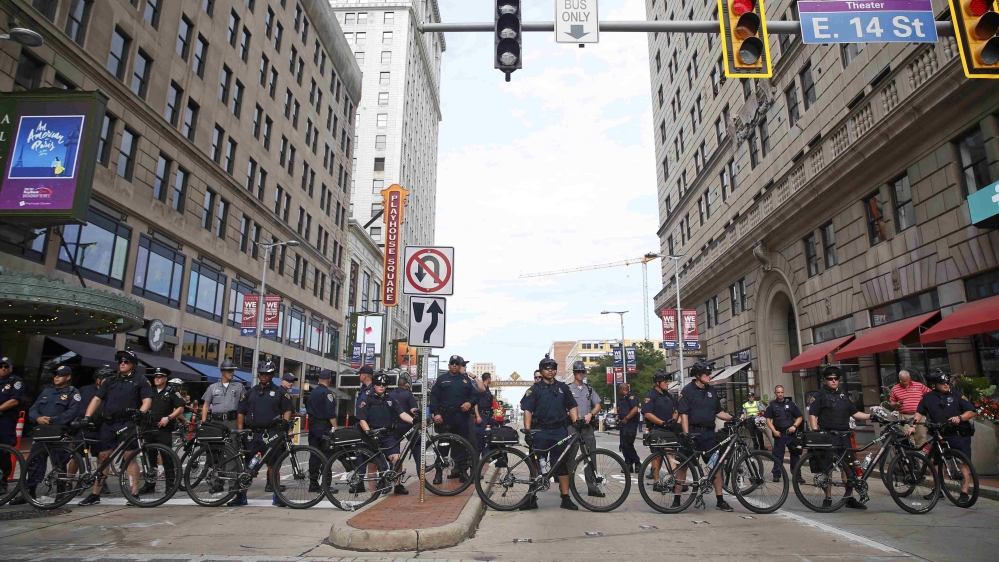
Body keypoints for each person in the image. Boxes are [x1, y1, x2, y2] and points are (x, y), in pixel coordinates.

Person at [78, 348, 153, 506]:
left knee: (130, 457)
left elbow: (147, 400)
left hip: (128, 423)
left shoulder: (140, 380)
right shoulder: (110, 380)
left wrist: (141, 412)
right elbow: (97, 399)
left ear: (133, 364)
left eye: (126, 361)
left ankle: (134, 493)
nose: (122, 364)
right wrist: (87, 416)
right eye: (120, 361)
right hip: (109, 423)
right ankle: (95, 494)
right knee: (102, 458)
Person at [13, 366, 82, 505]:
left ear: (68, 377)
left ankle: (60, 493)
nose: (56, 377)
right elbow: (33, 409)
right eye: (55, 375)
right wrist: (38, 418)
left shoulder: (72, 393)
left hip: (59, 434)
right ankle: (29, 492)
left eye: (60, 375)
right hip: (42, 433)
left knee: (59, 464)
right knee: (34, 463)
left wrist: (52, 419)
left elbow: (72, 412)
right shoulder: (47, 391)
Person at [807, 366, 873, 510]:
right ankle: (828, 497)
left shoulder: (843, 394)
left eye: (836, 379)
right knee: (828, 468)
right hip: (829, 436)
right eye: (830, 379)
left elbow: (855, 413)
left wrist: (871, 416)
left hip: (844, 435)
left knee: (848, 467)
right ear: (825, 380)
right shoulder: (819, 395)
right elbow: (812, 414)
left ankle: (848, 497)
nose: (834, 381)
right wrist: (816, 433)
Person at [906, 369, 976, 503]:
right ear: (935, 384)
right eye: (942, 382)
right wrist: (913, 425)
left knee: (963, 464)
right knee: (937, 463)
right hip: (940, 435)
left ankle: (964, 492)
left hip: (958, 434)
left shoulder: (957, 395)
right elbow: (919, 412)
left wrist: (960, 417)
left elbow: (971, 412)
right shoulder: (928, 397)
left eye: (947, 382)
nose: (946, 384)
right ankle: (938, 490)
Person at [520, 354, 580, 511]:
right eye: (547, 368)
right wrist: (528, 431)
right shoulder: (534, 390)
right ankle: (531, 497)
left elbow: (572, 406)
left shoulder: (563, 388)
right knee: (536, 465)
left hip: (560, 431)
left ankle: (565, 498)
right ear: (541, 371)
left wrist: (576, 422)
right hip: (540, 431)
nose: (550, 371)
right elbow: (528, 411)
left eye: (553, 368)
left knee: (561, 465)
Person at [232, 360, 293, 507]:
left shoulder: (280, 392)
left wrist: (285, 424)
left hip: (271, 434)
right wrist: (240, 431)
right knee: (248, 467)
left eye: (266, 374)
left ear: (272, 375)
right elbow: (241, 411)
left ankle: (277, 497)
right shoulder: (251, 392)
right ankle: (241, 496)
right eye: (261, 374)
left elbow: (287, 409)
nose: (263, 376)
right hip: (252, 435)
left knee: (274, 465)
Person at [677, 360, 735, 512]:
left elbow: (718, 412)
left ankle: (720, 500)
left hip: (709, 435)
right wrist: (686, 433)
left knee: (715, 466)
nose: (710, 376)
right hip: (692, 433)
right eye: (707, 374)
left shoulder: (712, 390)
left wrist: (732, 418)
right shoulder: (687, 390)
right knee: (683, 466)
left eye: (710, 374)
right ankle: (677, 500)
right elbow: (684, 414)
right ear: (698, 376)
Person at [356, 372, 415, 494]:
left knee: (397, 460)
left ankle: (397, 485)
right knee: (372, 465)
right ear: (374, 385)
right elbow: (362, 419)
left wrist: (414, 420)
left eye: (384, 384)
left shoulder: (390, 399)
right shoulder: (367, 399)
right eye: (378, 384)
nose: (381, 386)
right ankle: (374, 492)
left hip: (388, 435)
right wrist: (368, 432)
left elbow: (402, 414)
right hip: (372, 435)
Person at [429, 355, 477, 484]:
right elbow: (433, 397)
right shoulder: (442, 380)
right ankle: (439, 473)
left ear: (460, 365)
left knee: (462, 446)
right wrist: (436, 413)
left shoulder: (466, 380)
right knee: (443, 445)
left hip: (461, 417)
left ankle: (462, 472)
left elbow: (475, 395)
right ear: (449, 365)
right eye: (452, 363)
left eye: (457, 363)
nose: (454, 365)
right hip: (445, 418)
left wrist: (470, 403)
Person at [140, 367, 185, 494]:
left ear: (165, 378)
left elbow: (180, 407)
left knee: (167, 457)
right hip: (149, 428)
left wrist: (169, 417)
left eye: (160, 377)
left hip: (163, 429)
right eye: (155, 377)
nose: (157, 379)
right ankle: (150, 485)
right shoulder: (150, 391)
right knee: (150, 458)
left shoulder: (171, 391)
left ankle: (170, 486)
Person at [567, 361, 603, 497]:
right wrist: (574, 416)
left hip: (587, 428)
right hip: (573, 428)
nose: (580, 374)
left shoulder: (589, 389)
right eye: (578, 372)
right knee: (570, 458)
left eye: (582, 372)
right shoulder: (568, 389)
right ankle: (567, 487)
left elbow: (598, 405)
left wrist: (590, 414)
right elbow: (563, 407)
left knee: (590, 458)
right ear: (574, 373)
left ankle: (592, 488)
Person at [642, 370, 678, 490]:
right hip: (656, 430)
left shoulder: (668, 395)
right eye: (665, 381)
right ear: (658, 383)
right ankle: (656, 482)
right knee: (657, 457)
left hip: (669, 430)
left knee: (671, 454)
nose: (668, 384)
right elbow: (647, 413)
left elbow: (675, 409)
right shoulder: (650, 395)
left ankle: (675, 481)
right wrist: (662, 423)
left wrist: (673, 419)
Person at [306, 369, 338, 493]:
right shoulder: (327, 394)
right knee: (327, 456)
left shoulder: (313, 392)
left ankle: (313, 484)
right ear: (329, 380)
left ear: (319, 379)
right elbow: (331, 414)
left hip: (313, 427)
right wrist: (335, 428)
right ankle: (326, 484)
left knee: (314, 455)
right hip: (323, 428)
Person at [763, 385, 803, 482]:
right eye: (778, 392)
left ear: (784, 392)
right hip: (779, 434)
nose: (780, 394)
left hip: (790, 434)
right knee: (778, 455)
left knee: (794, 455)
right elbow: (768, 420)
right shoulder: (771, 405)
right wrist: (774, 431)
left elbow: (800, 417)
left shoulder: (791, 404)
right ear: (775, 393)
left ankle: (797, 475)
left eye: (781, 392)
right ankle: (776, 474)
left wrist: (794, 426)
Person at [0, 357, 25, 497]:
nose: (3, 368)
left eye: (6, 366)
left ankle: (2, 481)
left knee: (3, 452)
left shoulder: (15, 381)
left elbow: (14, 400)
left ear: (11, 368)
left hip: (5, 421)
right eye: (1, 366)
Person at [201, 359, 246, 430]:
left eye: (233, 370)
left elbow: (244, 405)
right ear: (222, 372)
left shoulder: (239, 386)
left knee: (233, 440)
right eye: (229, 371)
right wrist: (203, 422)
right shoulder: (213, 387)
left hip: (232, 421)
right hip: (216, 421)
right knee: (216, 441)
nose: (232, 373)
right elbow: (206, 405)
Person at [889, 370, 930, 447]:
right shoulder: (895, 389)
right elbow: (891, 403)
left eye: (905, 381)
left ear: (909, 378)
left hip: (919, 415)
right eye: (901, 380)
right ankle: (911, 455)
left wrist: (924, 401)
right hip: (904, 416)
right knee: (907, 436)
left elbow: (930, 394)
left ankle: (921, 456)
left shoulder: (919, 386)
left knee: (921, 436)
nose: (903, 382)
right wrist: (896, 404)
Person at [389, 372, 420, 465]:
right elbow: (413, 409)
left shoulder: (390, 395)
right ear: (406, 384)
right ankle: (420, 467)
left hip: (394, 426)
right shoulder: (408, 394)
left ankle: (394, 472)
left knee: (394, 451)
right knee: (417, 445)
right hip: (408, 425)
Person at [617, 383, 641, 473]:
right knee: (623, 445)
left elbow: (635, 409)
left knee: (628, 443)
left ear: (622, 389)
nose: (619, 391)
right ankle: (628, 464)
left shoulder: (632, 397)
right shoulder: (622, 399)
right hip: (623, 424)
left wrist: (626, 418)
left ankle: (636, 461)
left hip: (630, 424)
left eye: (620, 389)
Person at [473, 373, 495, 457]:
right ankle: (476, 458)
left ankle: (485, 456)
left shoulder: (487, 389)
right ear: (488, 379)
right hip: (482, 416)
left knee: (487, 437)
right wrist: (478, 415)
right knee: (479, 437)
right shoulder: (481, 389)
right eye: (490, 378)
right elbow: (476, 403)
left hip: (488, 417)